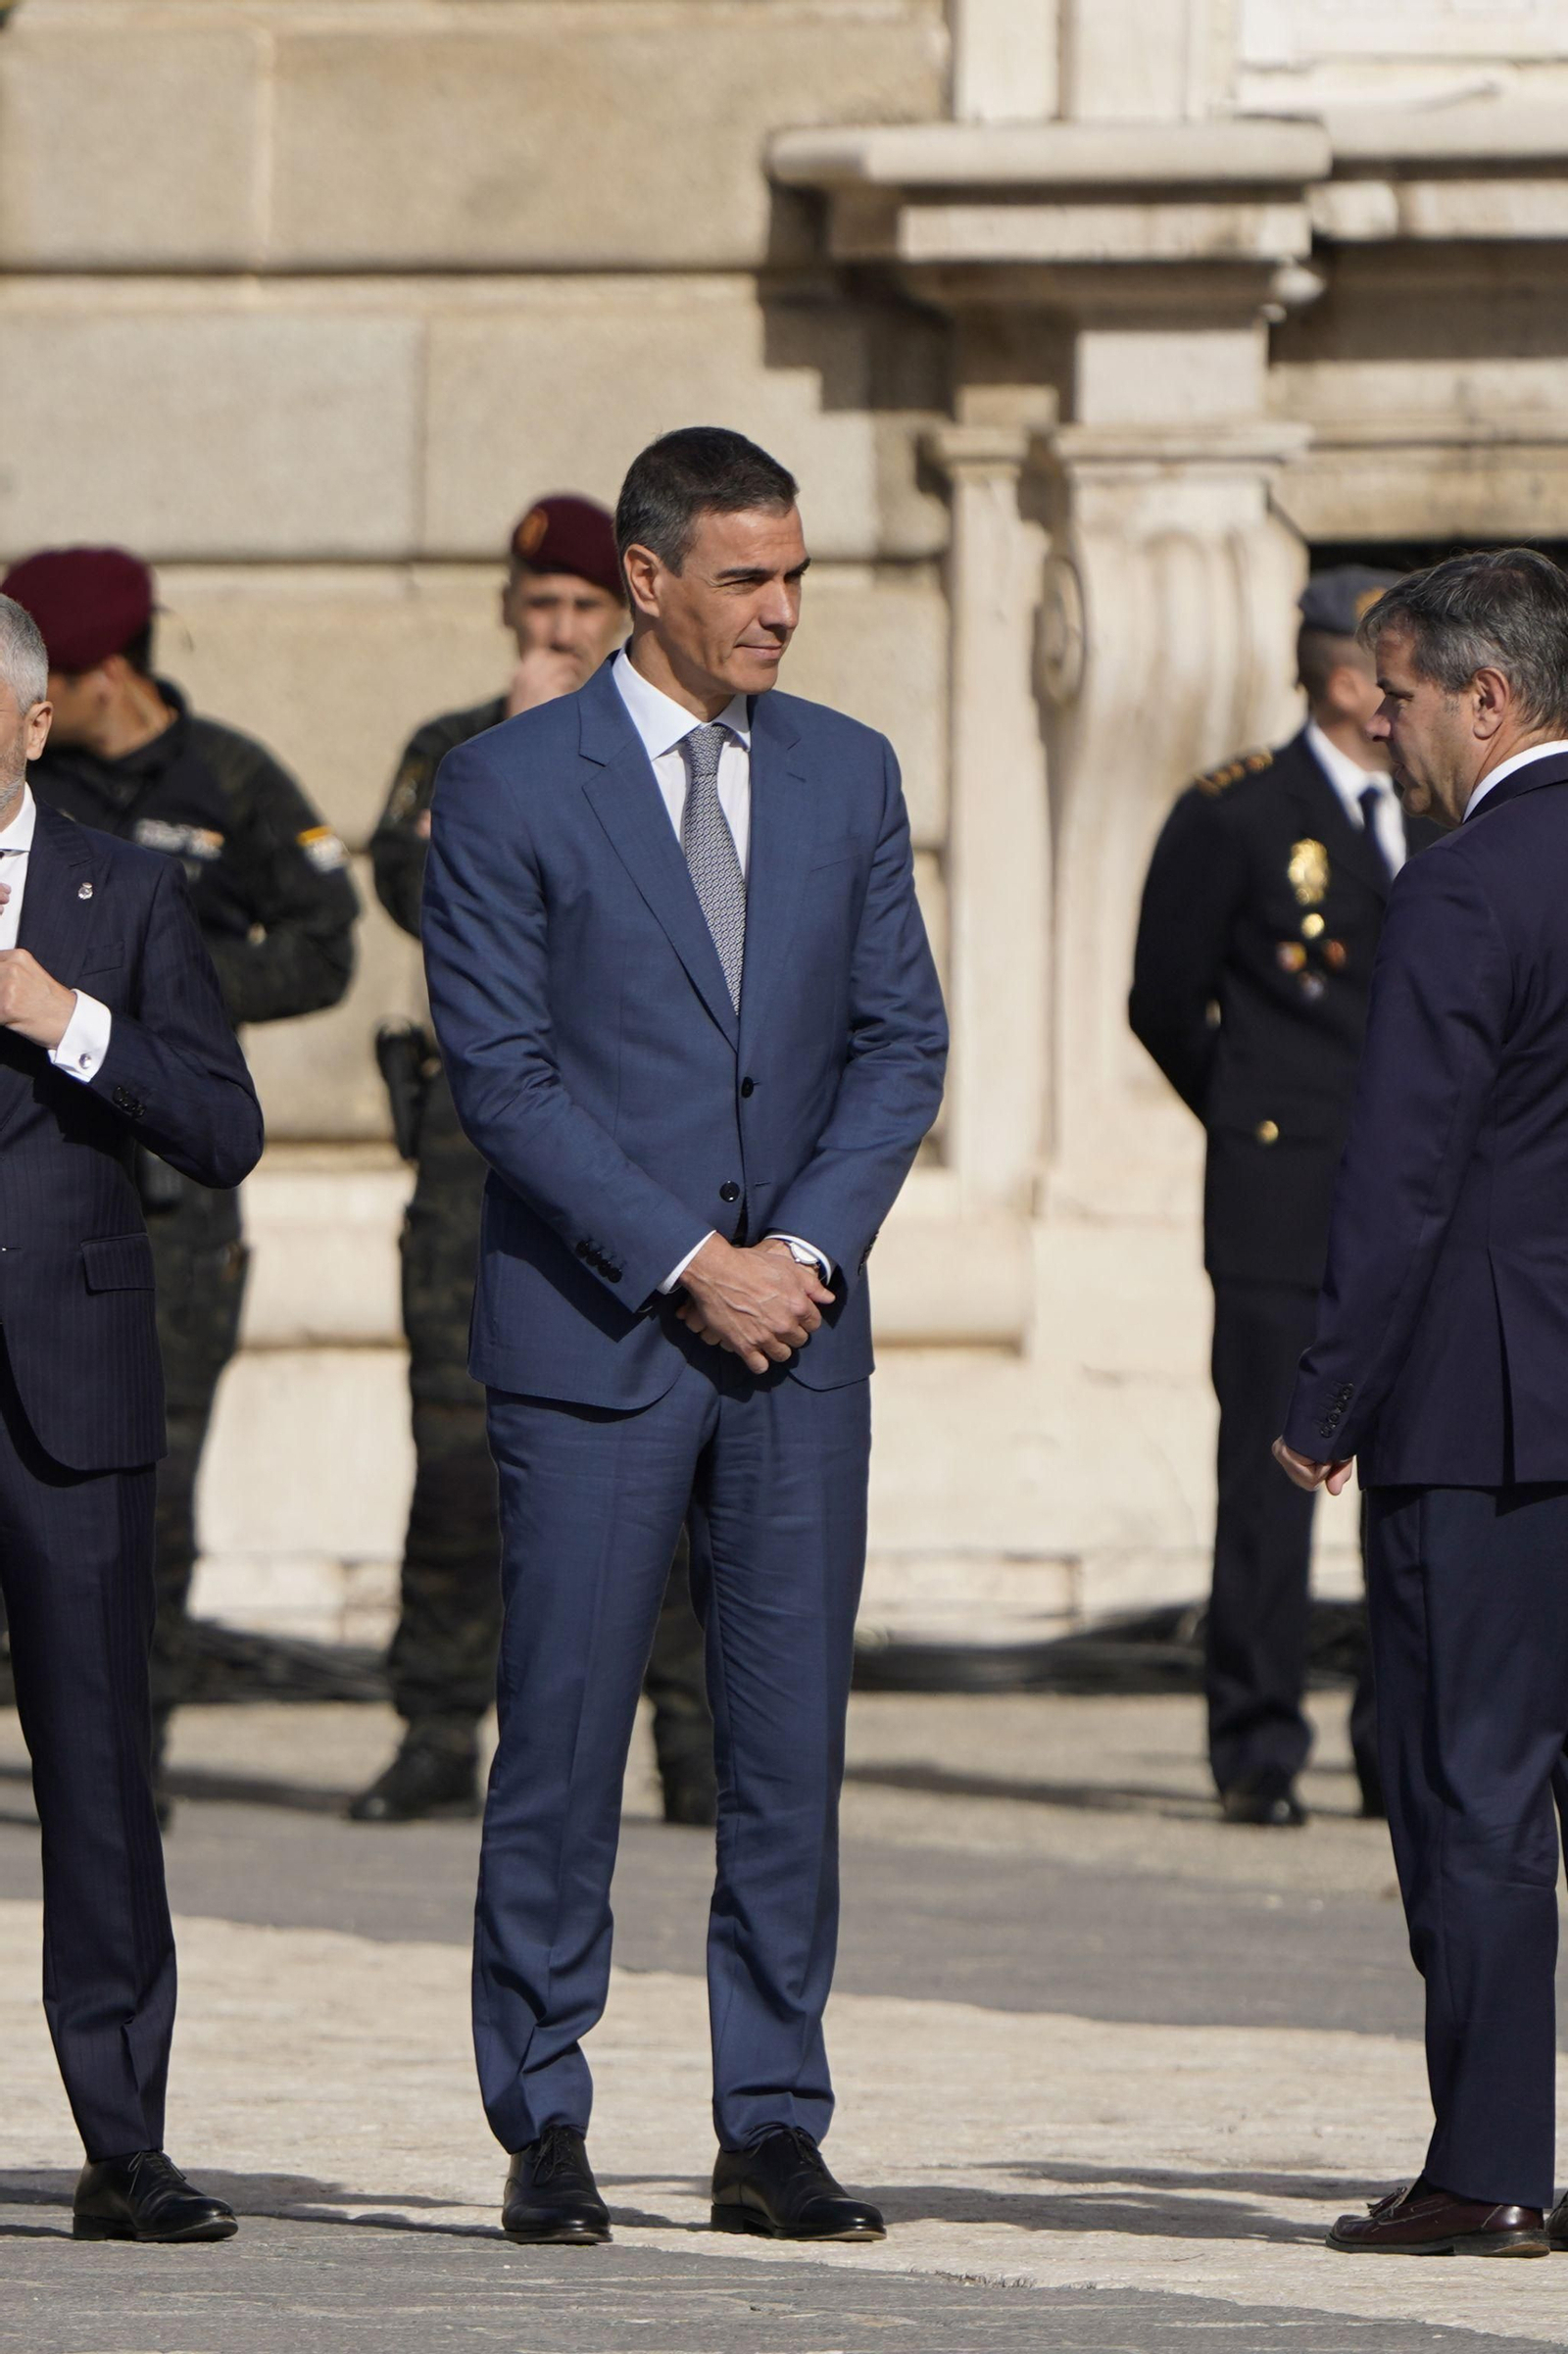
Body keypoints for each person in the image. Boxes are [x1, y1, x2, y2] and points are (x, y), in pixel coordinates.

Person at [421, 426, 947, 2246]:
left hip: (800, 1341)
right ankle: (546, 2111)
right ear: (647, 578)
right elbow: (502, 1069)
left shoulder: (849, 773)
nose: (781, 612)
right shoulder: (504, 788)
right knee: (561, 1738)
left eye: (797, 576)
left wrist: (795, 1246)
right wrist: (683, 1257)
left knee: (784, 1746)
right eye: (747, 577)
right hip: (599, 1340)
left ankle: (772, 2119)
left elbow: (902, 1044)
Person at [1276, 549, 1568, 2258]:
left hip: (1482, 1413)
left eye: (1405, 704)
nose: (1386, 737)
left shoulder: (1466, 885)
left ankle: (1489, 2161)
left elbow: (1399, 1172)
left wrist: (1326, 1393)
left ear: (1490, 697)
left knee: (1471, 1786)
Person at [353, 495, 717, 1827]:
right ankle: (437, 1725)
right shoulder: (458, 750)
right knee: (454, 1443)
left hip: (634, 1134)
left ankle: (690, 1741)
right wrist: (516, 749)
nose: (559, 632)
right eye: (540, 608)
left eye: (582, 609)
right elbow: (407, 889)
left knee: (673, 1436)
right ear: (511, 611)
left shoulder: (666, 749)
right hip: (477, 1148)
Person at [0, 547, 360, 1820]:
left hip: (167, 1202)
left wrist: (165, 999)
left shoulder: (233, 780)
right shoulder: (35, 790)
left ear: (107, 674)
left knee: (137, 1496)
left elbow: (326, 944)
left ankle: (121, 1762)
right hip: (37, 1182)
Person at [0, 596, 262, 2240]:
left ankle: (124, 2137)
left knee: (96, 1765)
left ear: (32, 726)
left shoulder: (127, 887)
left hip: (64, 1396)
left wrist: (63, 1019)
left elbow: (221, 1121)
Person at [1130, 568, 1441, 1828]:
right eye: (1369, 665)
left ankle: (1393, 1746)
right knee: (1268, 1473)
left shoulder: (1441, 812)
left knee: (1415, 1475)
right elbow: (1162, 999)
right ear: (1321, 668)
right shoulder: (1239, 812)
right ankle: (1257, 1744)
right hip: (1277, 1194)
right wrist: (1250, 1114)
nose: (1382, 693)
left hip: (1409, 1198)